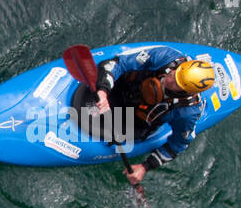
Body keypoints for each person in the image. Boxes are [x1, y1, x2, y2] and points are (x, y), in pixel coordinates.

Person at [89, 46, 216, 184]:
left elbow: (178, 145)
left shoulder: (187, 112)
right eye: (175, 74)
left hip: (132, 122)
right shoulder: (166, 56)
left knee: (92, 120)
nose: (169, 80)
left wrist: (145, 167)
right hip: (118, 88)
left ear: (187, 91)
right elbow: (121, 63)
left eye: (177, 84)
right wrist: (103, 90)